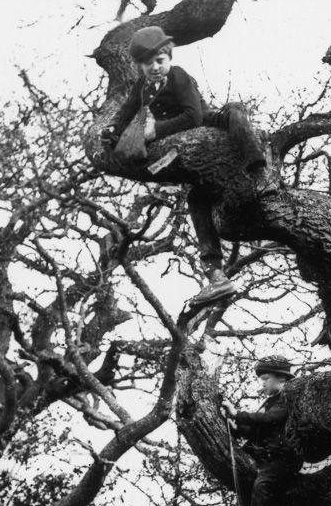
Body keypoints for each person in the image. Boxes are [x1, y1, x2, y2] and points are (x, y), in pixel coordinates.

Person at [101, 25, 270, 304]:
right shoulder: (142, 87)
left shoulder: (178, 76)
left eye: (160, 60)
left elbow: (194, 117)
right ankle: (216, 276)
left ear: (169, 57)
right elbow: (125, 112)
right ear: (140, 65)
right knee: (196, 199)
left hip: (207, 122)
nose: (155, 67)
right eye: (148, 63)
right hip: (179, 141)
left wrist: (155, 131)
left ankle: (260, 174)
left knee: (235, 113)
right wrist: (112, 131)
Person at [222, 355, 301, 506]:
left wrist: (237, 414)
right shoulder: (270, 402)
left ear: (281, 378)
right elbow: (258, 430)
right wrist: (236, 426)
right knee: (245, 489)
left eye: (266, 378)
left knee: (261, 485)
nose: (263, 383)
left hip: (285, 460)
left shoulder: (289, 398)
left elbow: (270, 420)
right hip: (269, 460)